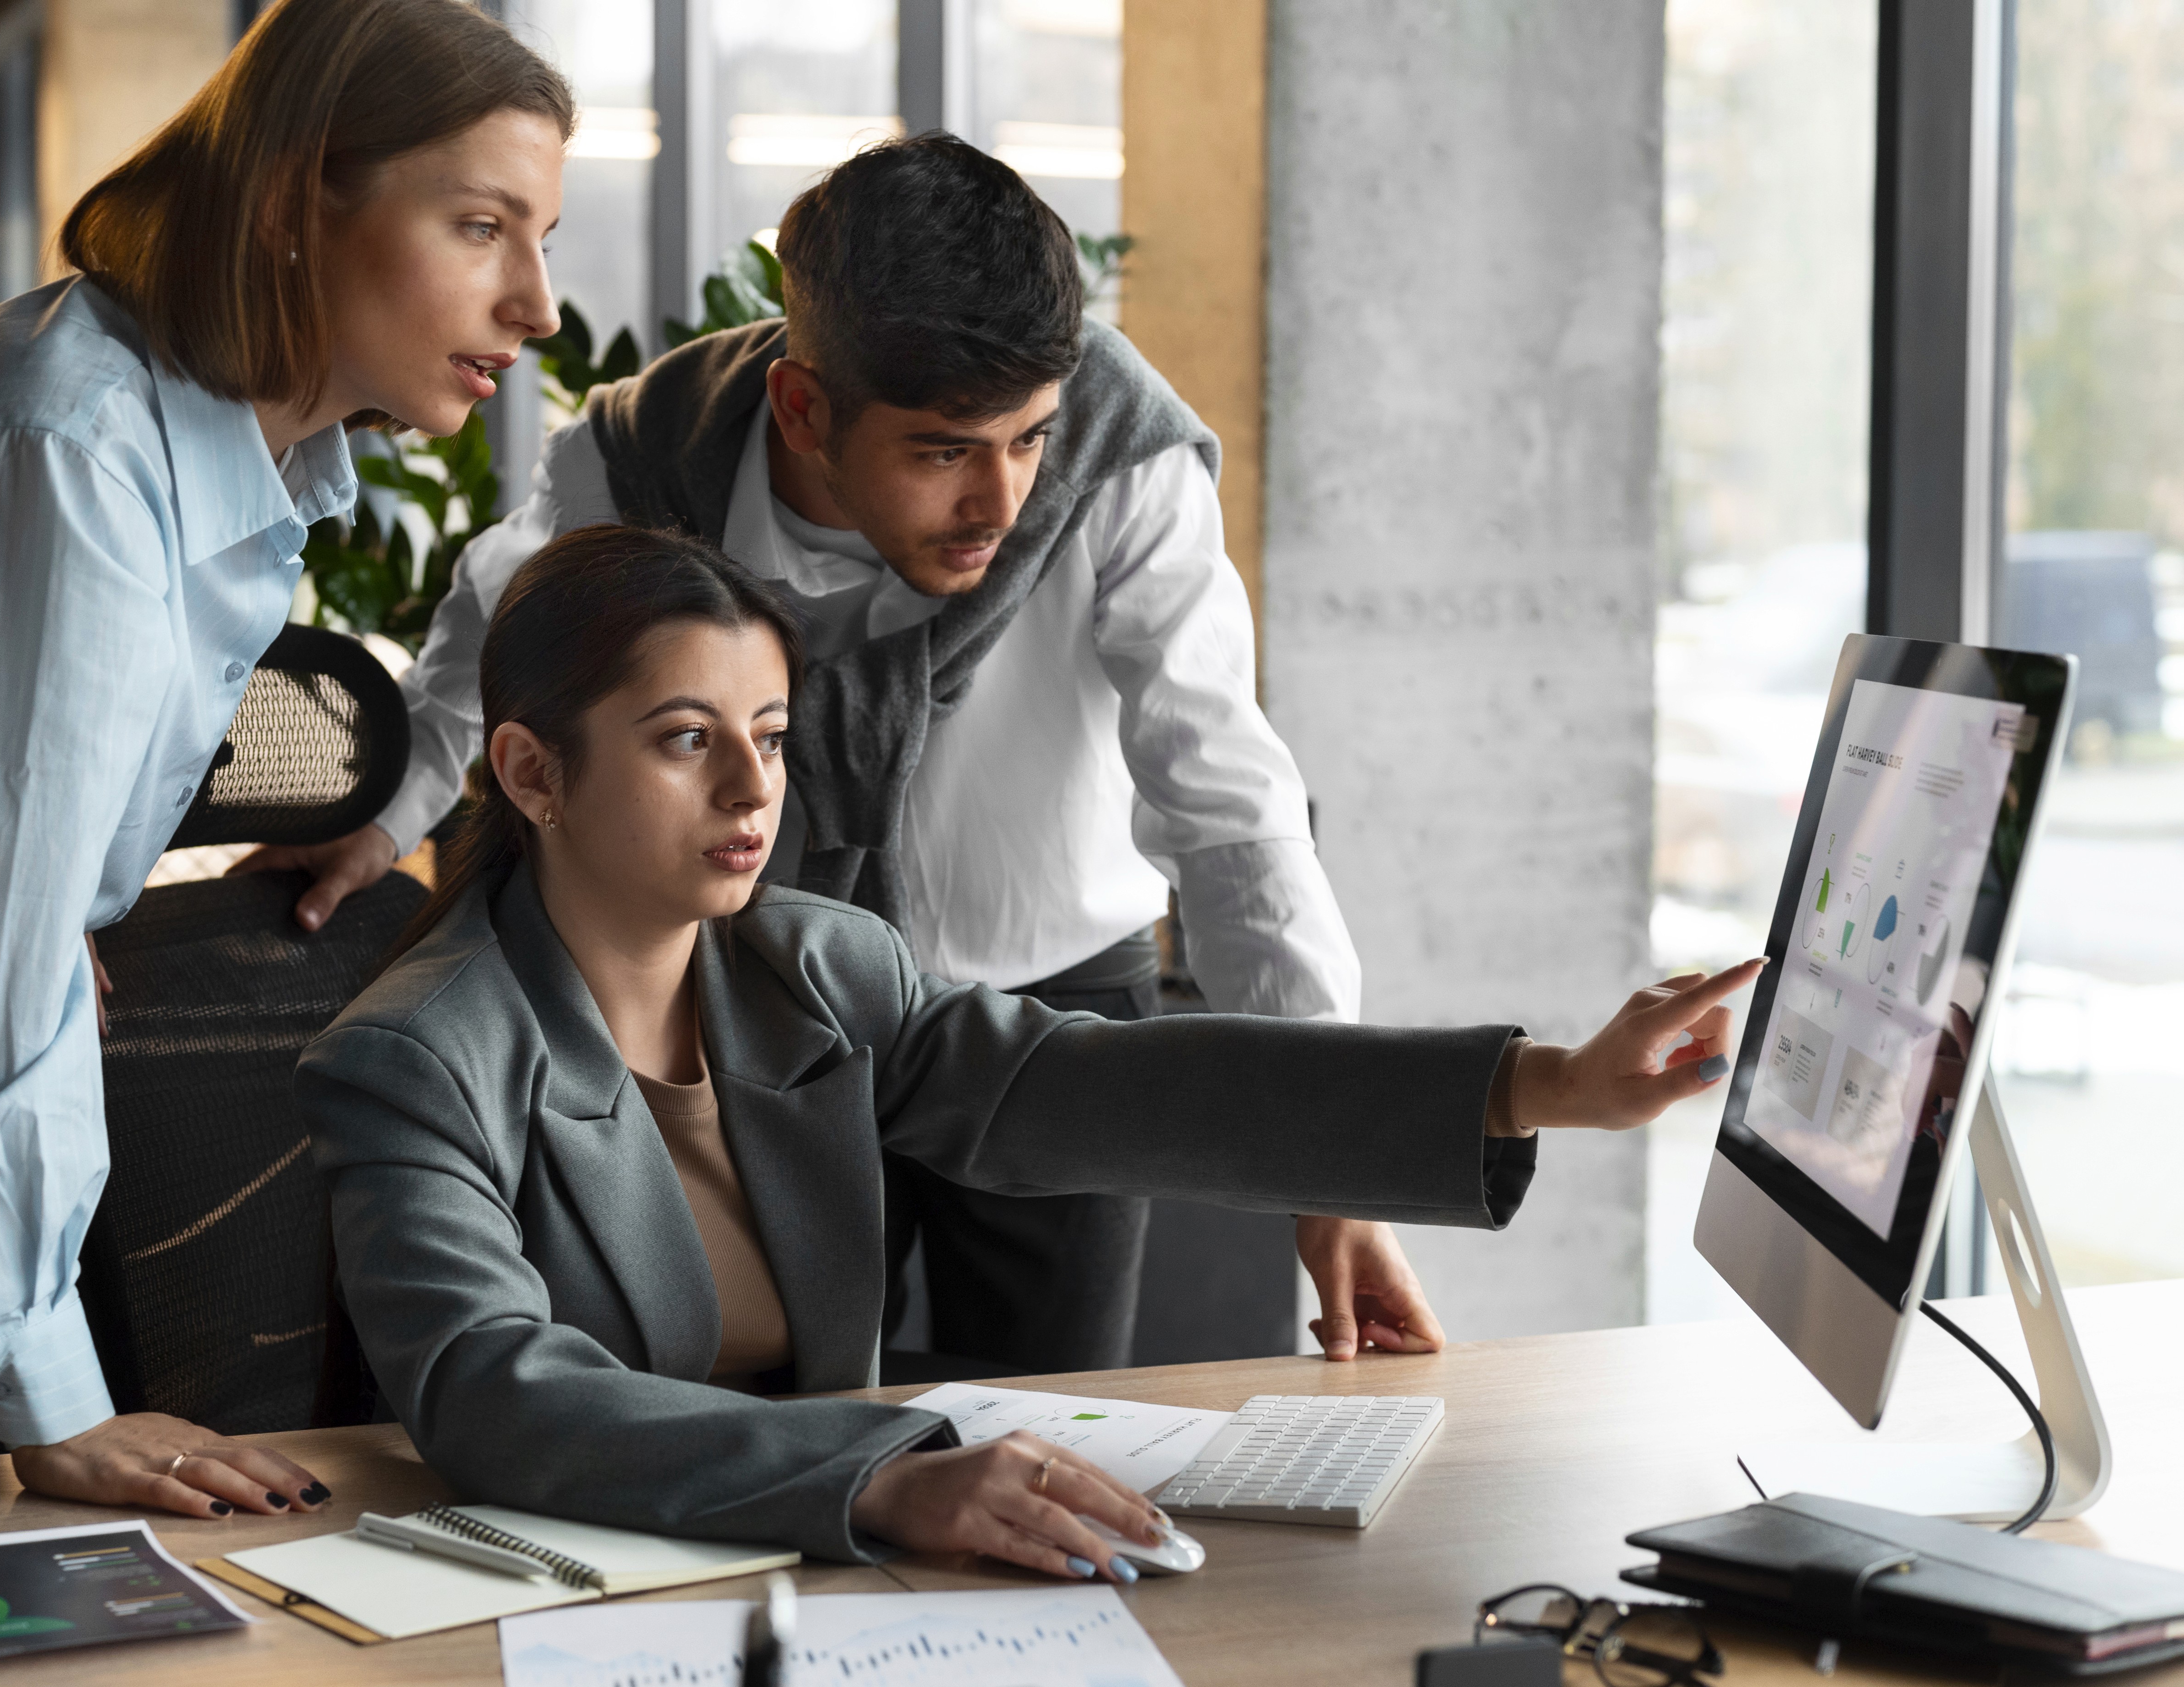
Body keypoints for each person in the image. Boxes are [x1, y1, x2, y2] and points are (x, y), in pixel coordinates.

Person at [298, 525, 1762, 1575]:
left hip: (825, 1588)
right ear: (533, 770)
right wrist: (887, 1480)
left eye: (771, 731)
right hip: (574, 1604)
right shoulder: (419, 1057)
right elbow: (495, 1389)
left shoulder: (817, 967)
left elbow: (1109, 1089)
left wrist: (1545, 1085)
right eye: (689, 738)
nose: (756, 786)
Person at [253, 133, 1423, 1377]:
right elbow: (502, 635)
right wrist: (391, 819)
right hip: (767, 1007)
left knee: (1059, 1415)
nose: (1004, 503)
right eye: (941, 452)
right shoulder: (647, 456)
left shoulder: (1121, 459)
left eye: (1029, 439)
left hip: (1053, 999)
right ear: (804, 409)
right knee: (786, 1397)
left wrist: (1332, 1162)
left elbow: (1229, 802)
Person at [0, 0, 570, 1508]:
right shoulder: (59, 456)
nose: (536, 302)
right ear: (292, 208)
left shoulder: (220, 445)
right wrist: (52, 1390)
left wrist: (53, 914)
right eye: (483, 226)